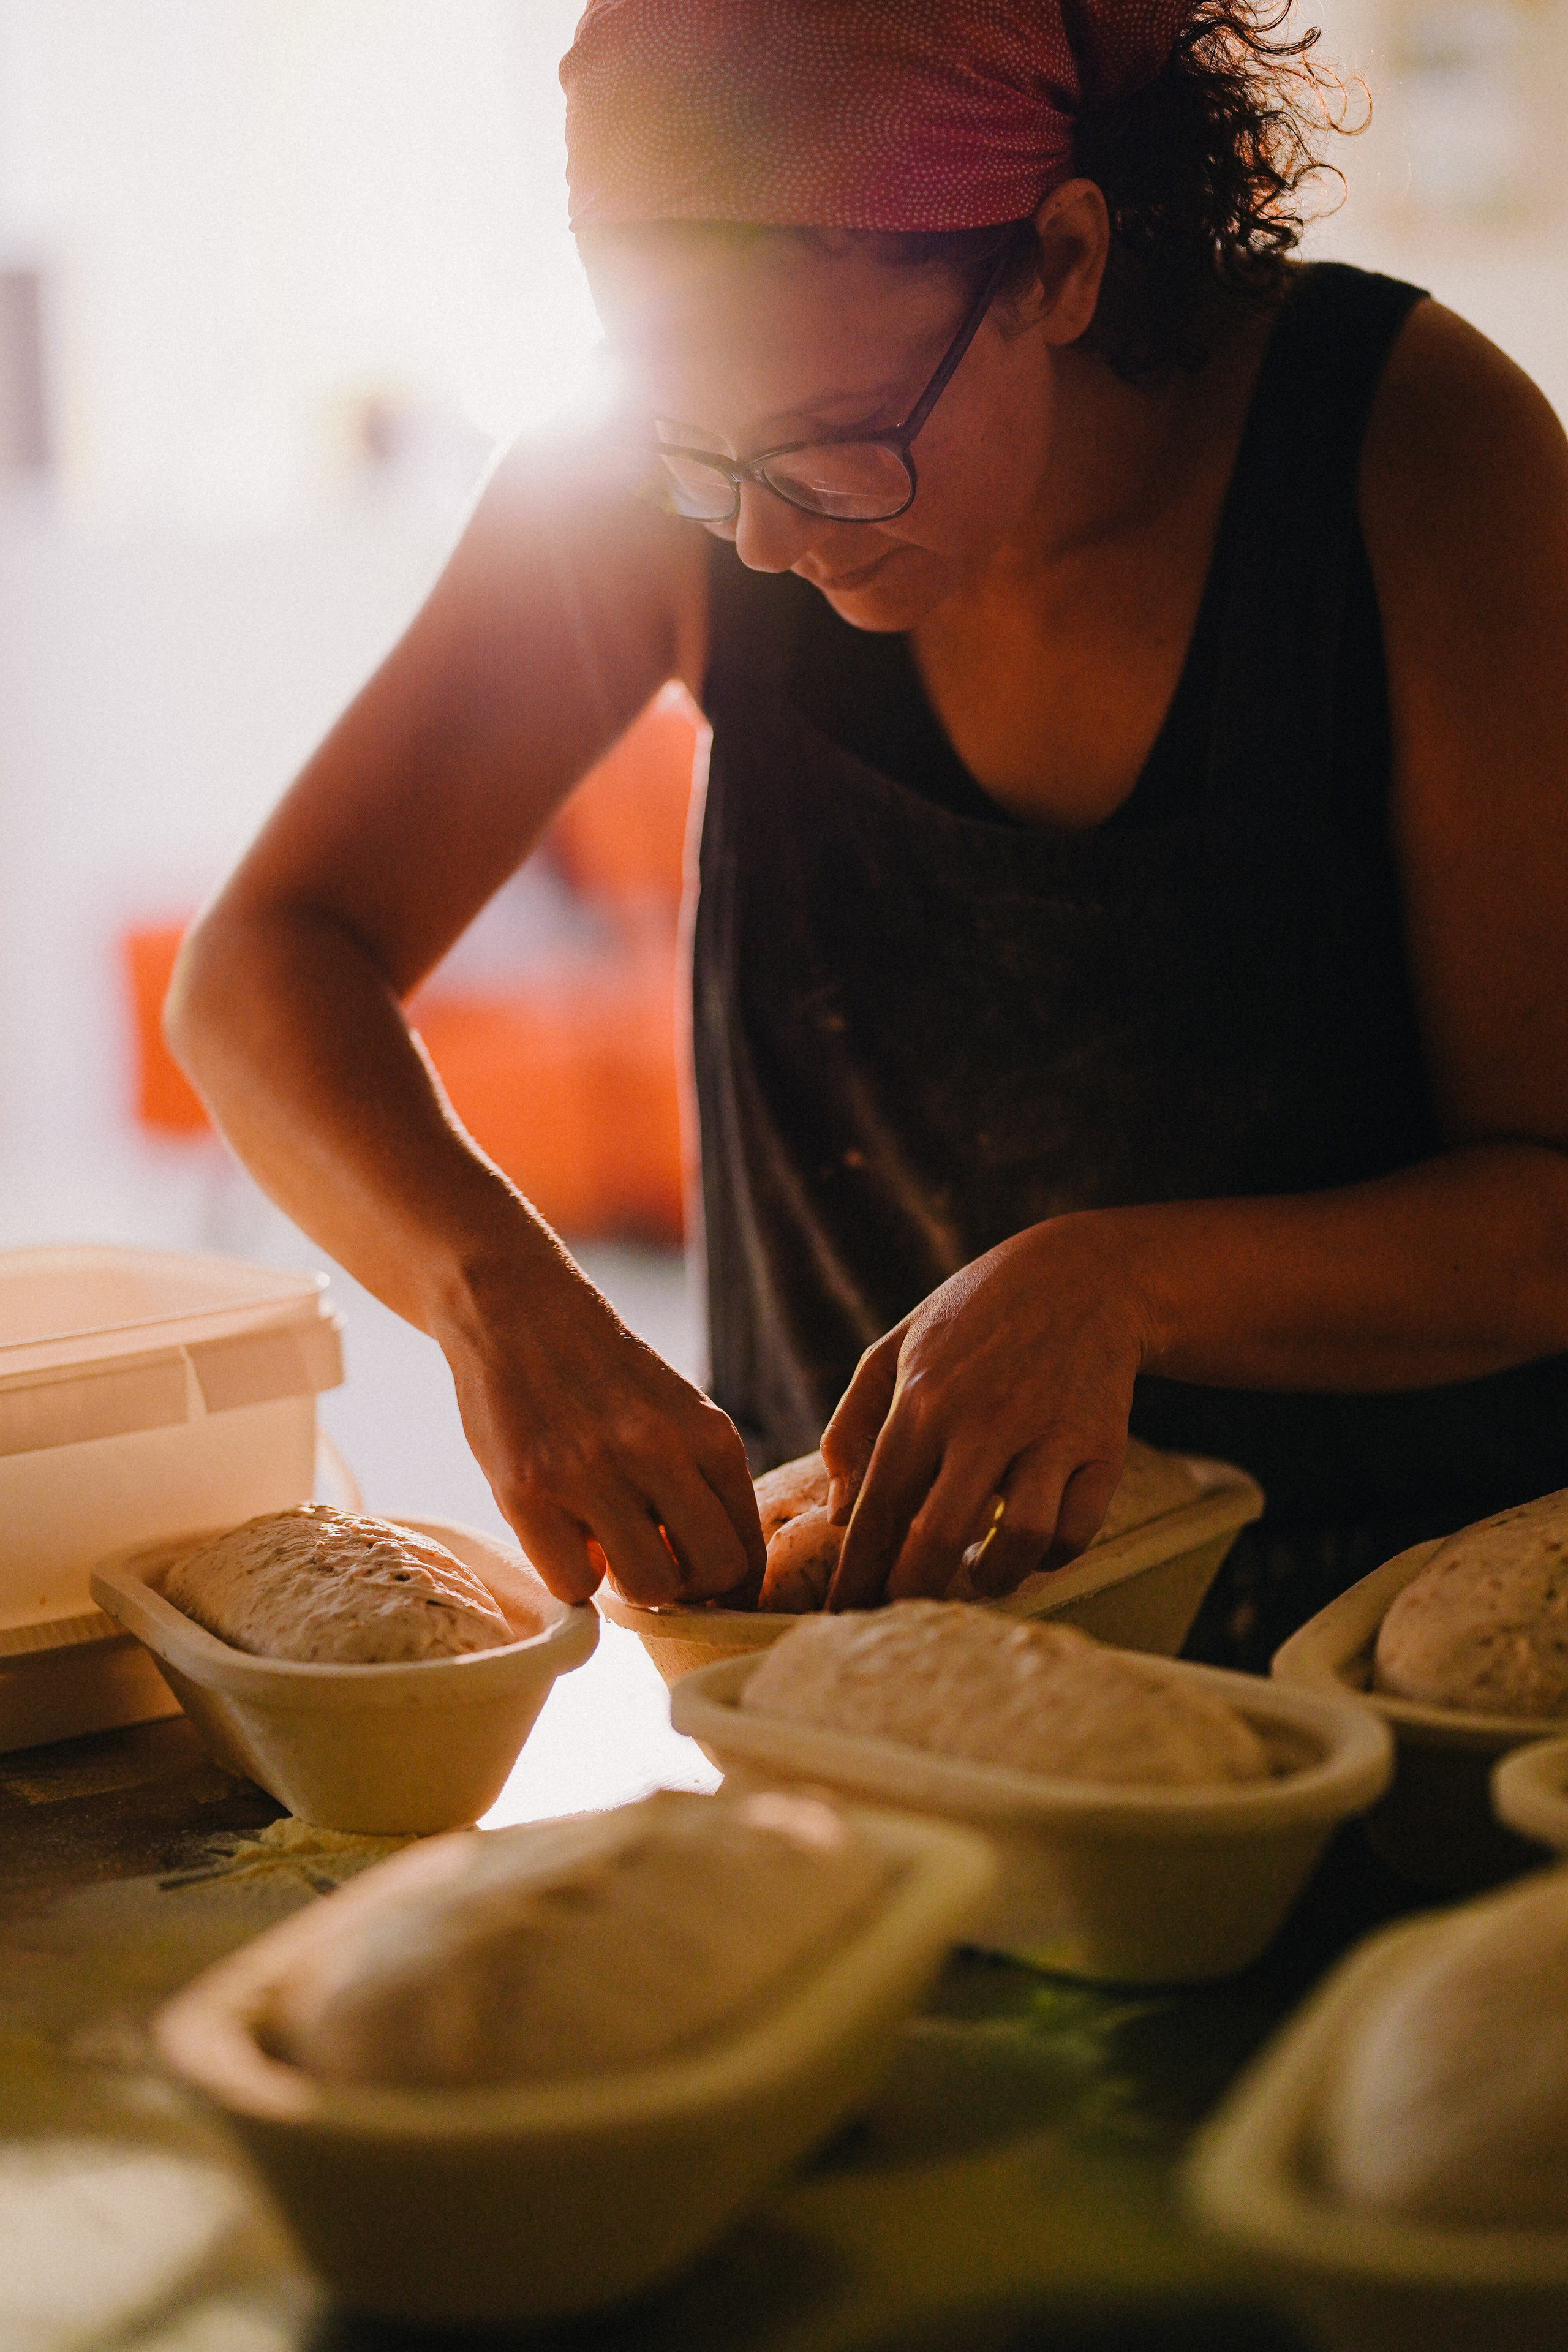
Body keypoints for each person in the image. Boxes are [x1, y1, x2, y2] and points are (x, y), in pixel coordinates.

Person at [168, 0, 1568, 1667]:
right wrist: (495, 1299)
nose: (756, 541)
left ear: (1057, 259)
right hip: (846, 1645)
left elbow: (1545, 1213)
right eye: (693, 455)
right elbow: (263, 960)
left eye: (837, 453)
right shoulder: (673, 486)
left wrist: (1125, 1285)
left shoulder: (1412, 455)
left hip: (1396, 1655)